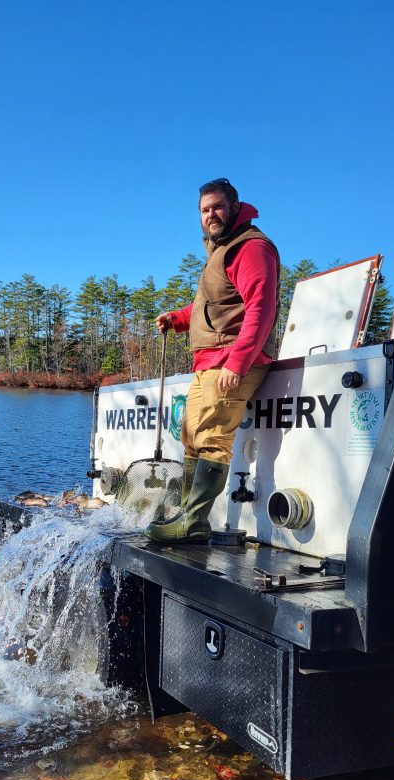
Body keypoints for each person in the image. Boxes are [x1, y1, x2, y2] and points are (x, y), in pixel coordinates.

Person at [146, 178, 279, 544]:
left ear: (235, 207)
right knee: (191, 436)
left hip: (231, 359)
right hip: (209, 361)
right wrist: (177, 318)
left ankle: (192, 521)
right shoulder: (220, 251)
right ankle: (189, 518)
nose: (210, 215)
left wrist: (237, 363)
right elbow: (213, 307)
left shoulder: (250, 248)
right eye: (204, 210)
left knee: (211, 438)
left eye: (217, 207)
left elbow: (260, 309)